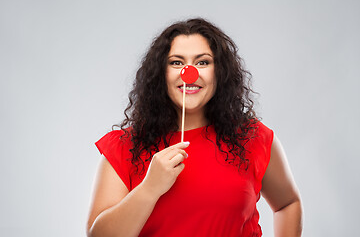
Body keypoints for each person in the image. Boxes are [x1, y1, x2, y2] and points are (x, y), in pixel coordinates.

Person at [86, 18, 303, 237]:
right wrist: (149, 188)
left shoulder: (253, 138)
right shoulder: (125, 147)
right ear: (161, 73)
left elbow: (287, 204)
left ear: (219, 72)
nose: (189, 72)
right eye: (176, 62)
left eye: (203, 62)